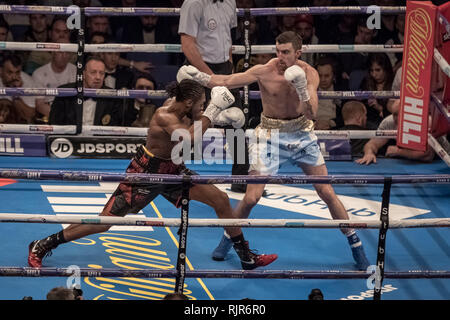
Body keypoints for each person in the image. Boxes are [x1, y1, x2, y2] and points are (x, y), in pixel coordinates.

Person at [28, 79, 277, 271]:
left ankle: (246, 257)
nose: (202, 108)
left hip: (173, 170)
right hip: (145, 173)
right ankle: (44, 244)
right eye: (200, 103)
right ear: (189, 103)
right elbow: (189, 139)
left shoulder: (184, 107)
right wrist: (212, 111)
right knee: (103, 223)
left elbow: (194, 126)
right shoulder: (164, 114)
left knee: (221, 200)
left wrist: (215, 116)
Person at [177, 31, 370, 270]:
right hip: (269, 135)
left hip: (301, 134)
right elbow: (226, 81)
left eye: (286, 52)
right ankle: (229, 241)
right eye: (278, 51)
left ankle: (355, 244)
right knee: (251, 197)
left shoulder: (309, 74)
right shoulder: (265, 70)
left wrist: (300, 88)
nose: (280, 56)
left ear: (298, 53)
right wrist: (199, 77)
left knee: (326, 191)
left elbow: (312, 113)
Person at [178, 0, 250, 194]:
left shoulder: (230, 2)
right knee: (185, 118)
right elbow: (187, 45)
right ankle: (174, 171)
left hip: (223, 69)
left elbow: (227, 40)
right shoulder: (193, 3)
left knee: (237, 122)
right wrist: (209, 77)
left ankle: (241, 178)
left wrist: (229, 70)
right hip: (198, 68)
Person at [49, 56, 123, 126]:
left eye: (101, 73)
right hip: (69, 139)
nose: (98, 77)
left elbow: (114, 129)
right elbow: (54, 124)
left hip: (97, 139)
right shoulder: (65, 92)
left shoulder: (112, 96)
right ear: (83, 74)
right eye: (93, 72)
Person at [356, 99, 435, 165]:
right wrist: (369, 153)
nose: (396, 118)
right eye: (394, 114)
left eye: (399, 114)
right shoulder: (389, 122)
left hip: (440, 161)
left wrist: (399, 152)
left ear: (409, 113)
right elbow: (372, 143)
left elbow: (428, 155)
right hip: (408, 162)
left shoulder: (425, 122)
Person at [0, 54, 38, 124]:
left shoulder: (27, 82)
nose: (14, 77)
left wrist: (16, 93)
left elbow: (29, 116)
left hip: (16, 125)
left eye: (17, 72)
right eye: (10, 72)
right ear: (1, 70)